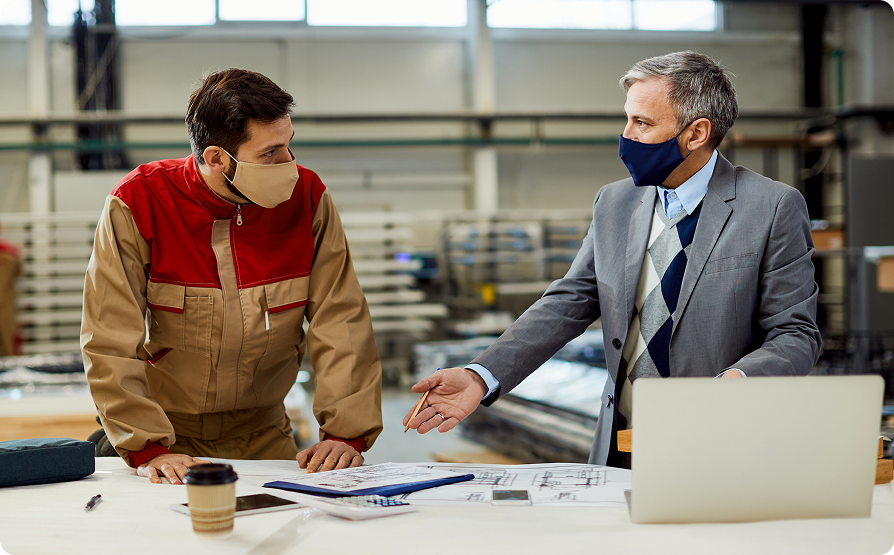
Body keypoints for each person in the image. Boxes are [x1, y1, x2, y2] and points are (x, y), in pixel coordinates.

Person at [404, 51, 821, 468]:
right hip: (620, 443)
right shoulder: (615, 202)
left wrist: (735, 384)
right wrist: (482, 375)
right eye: (627, 119)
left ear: (696, 134)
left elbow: (795, 333)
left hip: (720, 442)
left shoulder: (771, 208)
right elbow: (567, 302)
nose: (626, 135)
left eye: (642, 123)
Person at [81, 69, 383, 484]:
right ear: (217, 158)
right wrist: (146, 445)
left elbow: (341, 318)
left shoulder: (308, 199)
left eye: (289, 145)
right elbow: (109, 334)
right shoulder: (139, 202)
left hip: (264, 434)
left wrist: (346, 433)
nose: (289, 164)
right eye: (271, 152)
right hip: (169, 440)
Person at [0, 223, 22, 356]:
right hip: (6, 309)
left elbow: (17, 273)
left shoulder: (9, 254)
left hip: (5, 311)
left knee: (9, 348)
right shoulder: (10, 254)